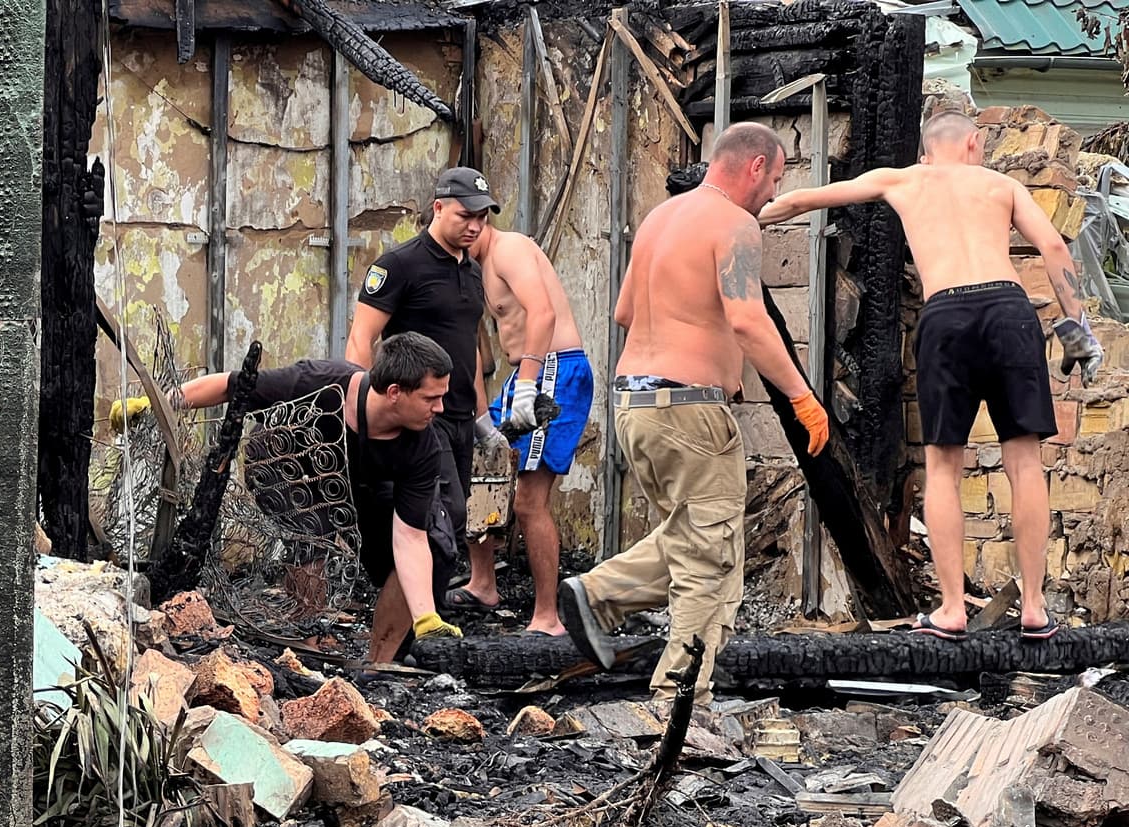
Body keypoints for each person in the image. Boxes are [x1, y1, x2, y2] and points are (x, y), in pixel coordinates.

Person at [759, 109, 1102, 640]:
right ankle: (1034, 607)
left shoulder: (904, 179)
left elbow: (807, 199)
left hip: (947, 316)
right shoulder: (1000, 184)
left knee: (944, 465)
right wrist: (1077, 326)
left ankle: (950, 610)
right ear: (974, 142)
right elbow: (1054, 247)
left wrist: (750, 215)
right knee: (1026, 460)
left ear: (925, 151)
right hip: (1009, 311)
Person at [558, 123, 829, 702]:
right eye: (776, 179)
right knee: (711, 559)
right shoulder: (734, 223)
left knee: (692, 541)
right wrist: (802, 397)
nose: (772, 194)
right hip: (690, 411)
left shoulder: (661, 217)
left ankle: (598, 593)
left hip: (635, 404)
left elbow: (626, 311)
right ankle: (679, 704)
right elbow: (748, 321)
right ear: (755, 166)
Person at [116, 333, 464, 660]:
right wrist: (155, 404)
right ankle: (305, 644)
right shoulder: (319, 383)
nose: (440, 408)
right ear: (393, 392)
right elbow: (229, 386)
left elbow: (410, 537)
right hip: (283, 464)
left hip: (357, 481)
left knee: (436, 540)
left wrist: (427, 618)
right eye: (430, 398)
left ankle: (378, 664)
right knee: (314, 534)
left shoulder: (422, 445)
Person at [344, 167, 496, 611]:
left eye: (482, 219)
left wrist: (484, 420)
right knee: (439, 520)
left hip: (461, 418)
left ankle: (423, 618)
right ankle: (414, 622)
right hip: (418, 418)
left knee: (455, 517)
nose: (474, 227)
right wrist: (366, 412)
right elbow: (361, 339)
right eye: (466, 216)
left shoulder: (471, 273)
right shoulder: (398, 266)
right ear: (438, 208)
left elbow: (468, 351)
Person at [455, 221, 592, 634]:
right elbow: (478, 352)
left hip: (552, 370)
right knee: (477, 472)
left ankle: (548, 617)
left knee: (530, 501)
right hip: (528, 374)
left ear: (477, 221)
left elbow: (543, 312)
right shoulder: (472, 268)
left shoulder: (509, 248)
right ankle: (483, 585)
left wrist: (529, 385)